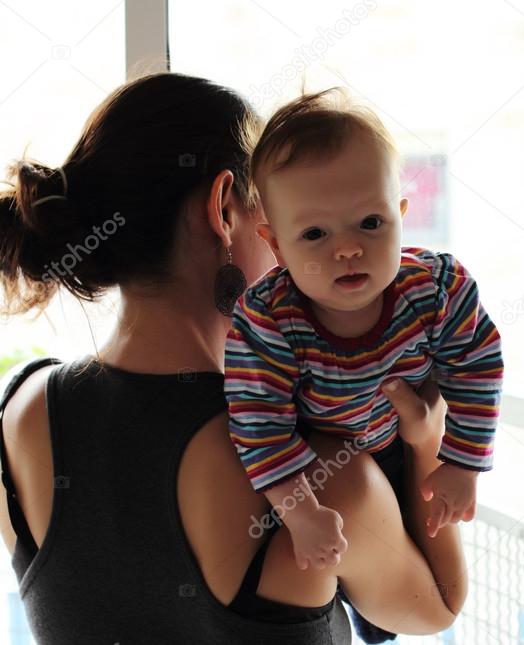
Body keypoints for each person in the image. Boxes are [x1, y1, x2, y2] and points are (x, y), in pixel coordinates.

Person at [0, 72, 467, 644]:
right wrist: (426, 443)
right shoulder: (315, 472)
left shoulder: (21, 414)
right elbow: (439, 606)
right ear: (224, 209)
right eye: (287, 223)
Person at [224, 90, 503, 588]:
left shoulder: (435, 289)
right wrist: (301, 511)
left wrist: (464, 461)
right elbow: (260, 427)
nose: (349, 249)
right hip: (315, 467)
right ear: (276, 246)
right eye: (315, 235)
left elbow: (477, 365)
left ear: (400, 214)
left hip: (401, 445)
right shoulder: (268, 320)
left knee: (430, 555)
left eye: (371, 223)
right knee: (344, 561)